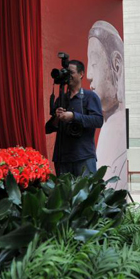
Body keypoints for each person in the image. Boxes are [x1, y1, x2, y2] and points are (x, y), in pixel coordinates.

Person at [46, 60, 103, 176]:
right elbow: (47, 128)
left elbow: (98, 121)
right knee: (65, 194)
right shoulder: (61, 98)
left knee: (88, 193)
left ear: (81, 74)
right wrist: (57, 118)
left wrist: (73, 116)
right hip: (62, 158)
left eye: (71, 72)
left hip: (84, 156)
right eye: (66, 72)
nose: (68, 76)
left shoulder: (90, 96)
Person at [86, 21, 126, 186]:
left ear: (116, 65)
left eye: (94, 64)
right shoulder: (108, 124)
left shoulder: (120, 124)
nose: (88, 75)